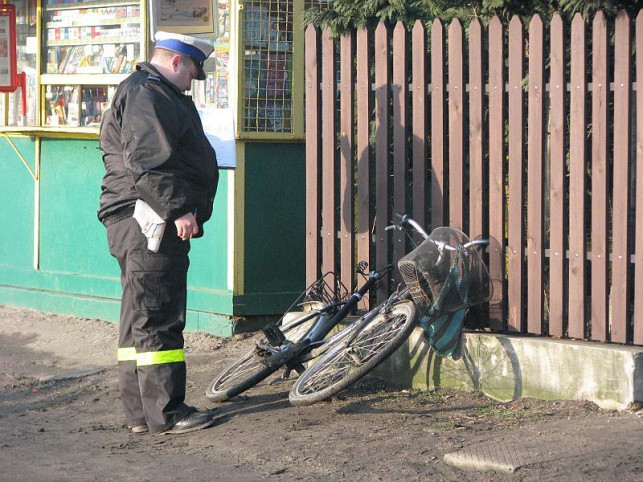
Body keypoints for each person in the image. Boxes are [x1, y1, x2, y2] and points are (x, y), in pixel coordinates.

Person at [98, 31, 219, 435]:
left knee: (138, 317)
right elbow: (149, 161)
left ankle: (142, 415)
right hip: (151, 220)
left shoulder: (145, 92)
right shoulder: (149, 94)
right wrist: (180, 208)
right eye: (192, 73)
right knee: (159, 314)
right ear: (175, 63)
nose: (192, 82)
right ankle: (168, 412)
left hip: (135, 219)